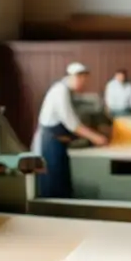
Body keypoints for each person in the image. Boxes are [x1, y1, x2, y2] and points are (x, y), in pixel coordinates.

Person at [32, 62, 109, 198]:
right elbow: (72, 124)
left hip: (59, 145)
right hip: (50, 144)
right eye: (82, 80)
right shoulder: (60, 91)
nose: (83, 85)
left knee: (62, 182)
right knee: (53, 184)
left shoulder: (68, 91)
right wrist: (97, 138)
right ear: (74, 77)